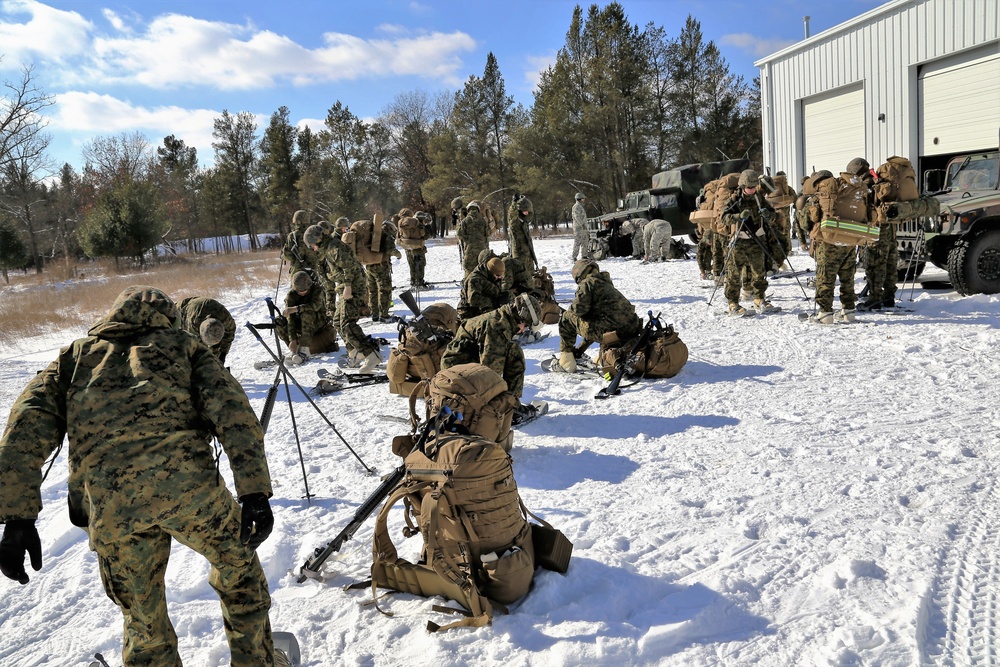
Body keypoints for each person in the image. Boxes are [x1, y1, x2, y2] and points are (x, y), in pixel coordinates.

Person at [0, 286, 278, 667]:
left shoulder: (73, 357)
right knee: (240, 573)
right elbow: (234, 415)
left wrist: (17, 517)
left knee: (142, 618)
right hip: (192, 497)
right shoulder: (185, 346)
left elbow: (23, 430)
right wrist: (254, 492)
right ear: (170, 317)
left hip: (113, 509)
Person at [441, 292, 544, 423]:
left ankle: (511, 405)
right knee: (493, 378)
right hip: (456, 374)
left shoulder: (504, 317)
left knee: (514, 352)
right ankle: (498, 411)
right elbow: (489, 374)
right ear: (520, 318)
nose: (524, 331)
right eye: (526, 326)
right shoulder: (497, 329)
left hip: (467, 363)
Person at [305, 224, 382, 373]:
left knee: (347, 322)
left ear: (318, 240)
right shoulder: (326, 249)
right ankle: (355, 353)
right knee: (337, 322)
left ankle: (371, 354)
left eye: (312, 244)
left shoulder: (335, 248)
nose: (312, 248)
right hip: (344, 287)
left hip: (353, 286)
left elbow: (349, 267)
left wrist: (347, 287)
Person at [811, 158, 872, 324]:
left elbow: (813, 217)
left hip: (830, 239)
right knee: (848, 277)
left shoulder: (832, 187)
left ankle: (825, 314)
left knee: (825, 277)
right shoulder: (860, 188)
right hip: (851, 238)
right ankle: (849, 311)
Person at [557, 259, 642, 372]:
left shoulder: (587, 283)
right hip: (630, 330)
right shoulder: (606, 284)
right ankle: (604, 358)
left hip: (611, 331)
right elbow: (596, 322)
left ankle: (566, 362)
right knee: (595, 320)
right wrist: (580, 350)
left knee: (566, 318)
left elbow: (578, 311)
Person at [720, 169, 778, 316]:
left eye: (754, 187)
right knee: (734, 274)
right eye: (749, 188)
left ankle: (759, 299)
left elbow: (773, 215)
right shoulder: (734, 199)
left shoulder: (759, 198)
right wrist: (738, 216)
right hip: (739, 241)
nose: (752, 190)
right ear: (742, 186)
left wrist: (767, 215)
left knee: (759, 272)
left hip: (756, 240)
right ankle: (733, 303)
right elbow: (724, 217)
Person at [275, 270, 340, 364]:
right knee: (279, 321)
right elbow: (291, 319)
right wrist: (292, 339)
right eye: (299, 291)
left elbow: (314, 306)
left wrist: (295, 309)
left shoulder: (317, 289)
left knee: (306, 313)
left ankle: (305, 350)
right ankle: (294, 350)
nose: (302, 293)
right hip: (301, 325)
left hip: (318, 322)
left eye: (304, 290)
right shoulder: (291, 295)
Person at [176, 295, 237, 363]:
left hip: (204, 307)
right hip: (180, 311)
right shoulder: (193, 322)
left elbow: (229, 336)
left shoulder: (226, 319)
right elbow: (196, 345)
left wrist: (223, 354)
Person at [457, 249, 511, 320]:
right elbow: (473, 300)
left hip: (483, 308)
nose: (499, 278)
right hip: (469, 312)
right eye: (497, 275)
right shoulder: (474, 279)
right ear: (491, 272)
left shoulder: (490, 275)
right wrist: (494, 302)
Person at [281, 210, 321, 281]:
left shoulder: (292, 236)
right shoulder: (315, 234)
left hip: (297, 272)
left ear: (295, 220)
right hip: (314, 271)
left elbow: (288, 255)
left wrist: (282, 255)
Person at [456, 200, 489, 278]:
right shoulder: (483, 220)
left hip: (470, 249)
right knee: (482, 269)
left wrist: (467, 239)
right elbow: (487, 233)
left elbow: (459, 234)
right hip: (482, 249)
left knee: (469, 270)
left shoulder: (465, 221)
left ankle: (469, 286)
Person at [398, 210, 430, 288]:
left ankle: (413, 282)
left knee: (412, 265)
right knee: (420, 265)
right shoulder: (419, 225)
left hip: (407, 248)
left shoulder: (403, 224)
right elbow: (426, 236)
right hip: (418, 248)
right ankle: (419, 283)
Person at [508, 195, 538, 272]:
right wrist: (514, 203)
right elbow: (512, 214)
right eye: (524, 211)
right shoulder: (515, 222)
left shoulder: (524, 222)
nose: (526, 213)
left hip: (527, 253)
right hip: (519, 253)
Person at [571, 192, 591, 261]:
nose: (584, 200)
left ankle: (584, 256)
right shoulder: (576, 206)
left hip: (583, 228)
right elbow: (577, 217)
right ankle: (574, 257)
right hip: (579, 228)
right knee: (577, 242)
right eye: (583, 198)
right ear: (579, 199)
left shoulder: (580, 206)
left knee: (585, 241)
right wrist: (582, 224)